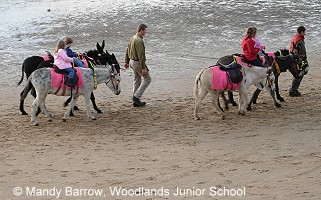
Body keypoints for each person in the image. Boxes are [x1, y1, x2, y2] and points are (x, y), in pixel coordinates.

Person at [124, 24, 152, 107]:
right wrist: (143, 68)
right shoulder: (139, 41)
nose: (145, 32)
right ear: (141, 30)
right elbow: (141, 56)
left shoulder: (133, 38)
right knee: (147, 79)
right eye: (145, 31)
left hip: (132, 62)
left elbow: (127, 49)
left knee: (137, 79)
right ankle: (136, 97)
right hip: (137, 63)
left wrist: (126, 61)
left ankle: (135, 100)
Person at [289, 26, 308, 97]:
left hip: (294, 58)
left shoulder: (295, 38)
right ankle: (293, 91)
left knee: (298, 73)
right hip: (299, 60)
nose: (305, 33)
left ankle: (294, 90)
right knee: (299, 74)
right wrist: (304, 59)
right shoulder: (300, 40)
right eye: (304, 32)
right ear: (302, 32)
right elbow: (303, 52)